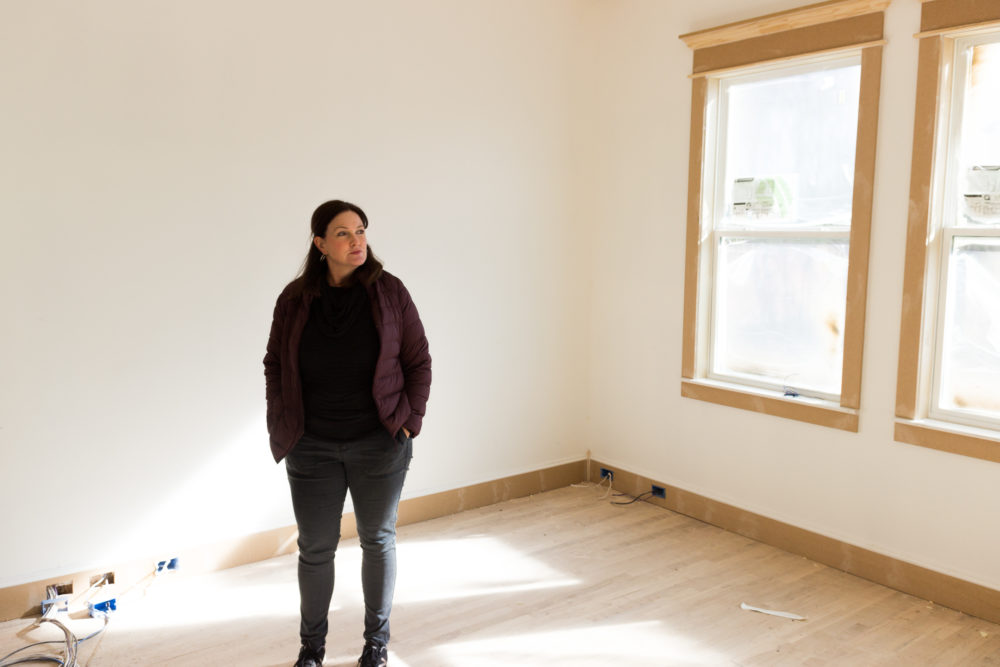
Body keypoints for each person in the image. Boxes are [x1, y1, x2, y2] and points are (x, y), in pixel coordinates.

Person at [264, 200, 431, 667]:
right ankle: (311, 649)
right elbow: (275, 363)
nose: (357, 241)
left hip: (379, 443)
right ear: (320, 244)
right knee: (316, 549)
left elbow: (418, 360)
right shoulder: (295, 300)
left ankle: (375, 645)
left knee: (377, 540)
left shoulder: (390, 293)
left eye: (360, 231)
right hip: (311, 446)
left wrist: (408, 421)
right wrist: (283, 421)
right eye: (343, 233)